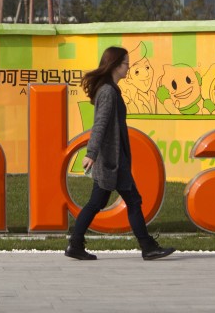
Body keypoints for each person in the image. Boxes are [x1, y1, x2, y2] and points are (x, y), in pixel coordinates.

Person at [66, 46, 176, 261]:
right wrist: (91, 153)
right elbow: (100, 124)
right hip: (112, 161)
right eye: (126, 63)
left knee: (101, 202)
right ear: (116, 66)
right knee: (131, 201)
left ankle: (76, 244)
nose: (129, 67)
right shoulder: (107, 91)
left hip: (115, 159)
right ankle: (147, 247)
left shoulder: (110, 89)